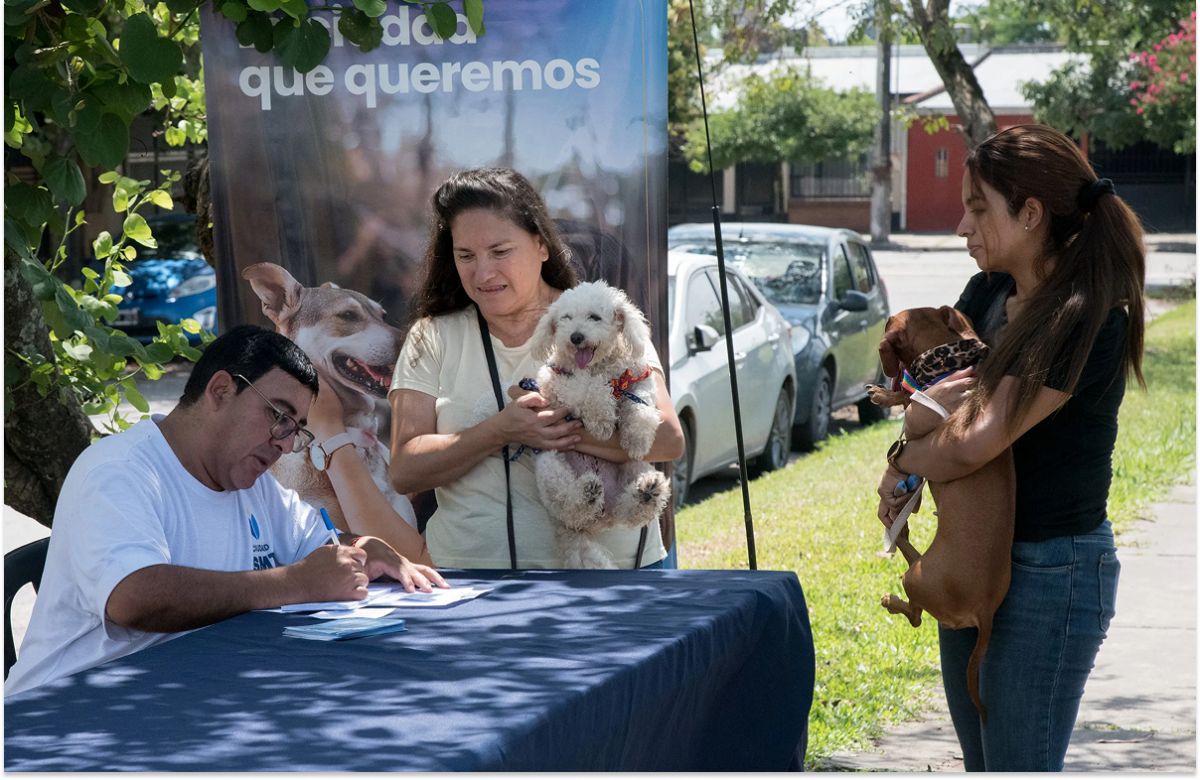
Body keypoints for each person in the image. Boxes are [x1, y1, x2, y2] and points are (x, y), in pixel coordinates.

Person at [876, 124, 1145, 771]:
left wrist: (901, 461)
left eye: (977, 209)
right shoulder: (986, 294)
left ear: (1030, 214)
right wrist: (910, 456)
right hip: (970, 558)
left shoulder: (1086, 315)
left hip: (1052, 572)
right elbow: (933, 406)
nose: (962, 229)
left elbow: (971, 443)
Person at [6, 325, 447, 698]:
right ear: (220, 390)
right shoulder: (119, 470)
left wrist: (364, 550)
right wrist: (294, 583)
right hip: (66, 715)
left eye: (296, 430)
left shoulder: (252, 483)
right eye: (278, 416)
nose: (284, 445)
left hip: (179, 700)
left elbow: (320, 546)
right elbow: (132, 598)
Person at [388, 167, 684, 569]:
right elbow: (405, 469)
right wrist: (501, 430)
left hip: (616, 576)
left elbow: (668, 439)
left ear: (541, 245)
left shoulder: (600, 316)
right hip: (470, 580)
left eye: (500, 252)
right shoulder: (431, 336)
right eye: (466, 256)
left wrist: (554, 432)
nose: (483, 272)